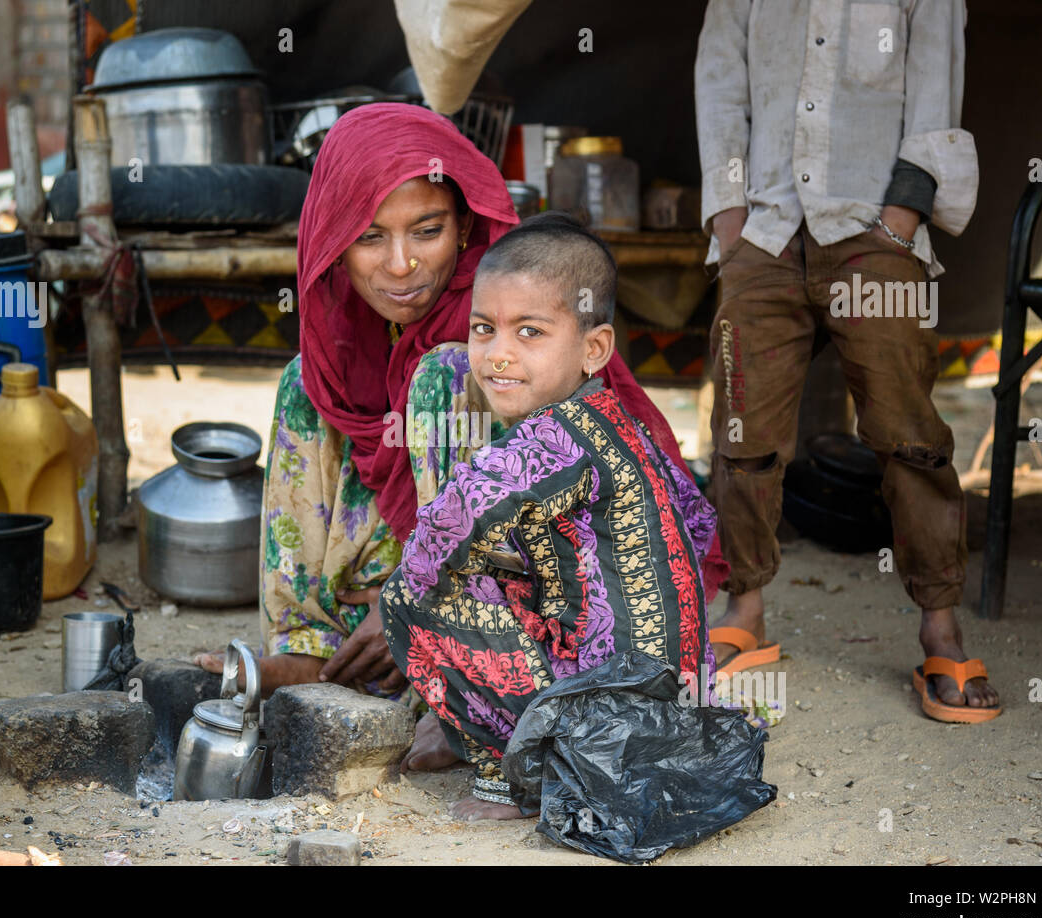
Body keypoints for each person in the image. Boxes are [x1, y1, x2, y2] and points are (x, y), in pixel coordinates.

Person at [193, 104, 728, 708]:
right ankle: (308, 647)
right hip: (409, 561)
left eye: (427, 231)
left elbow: (544, 497)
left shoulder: (509, 305)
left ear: (465, 226)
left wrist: (413, 597)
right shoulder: (344, 328)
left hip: (535, 593)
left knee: (444, 371)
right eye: (370, 236)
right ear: (333, 240)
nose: (401, 265)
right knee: (305, 380)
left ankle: (461, 674)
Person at [695, 0, 998, 721]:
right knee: (744, 428)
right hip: (764, 232)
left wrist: (899, 222)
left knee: (909, 433)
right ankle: (746, 607)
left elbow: (934, 94)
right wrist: (730, 219)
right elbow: (720, 87)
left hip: (872, 229)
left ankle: (939, 621)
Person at [379, 213, 719, 819]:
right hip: (675, 718)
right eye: (484, 329)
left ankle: (514, 779)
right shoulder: (620, 425)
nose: (497, 355)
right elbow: (697, 521)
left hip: (607, 734)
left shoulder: (554, 441)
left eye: (529, 332)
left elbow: (447, 526)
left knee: (411, 592)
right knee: (499, 575)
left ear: (594, 349)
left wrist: (434, 591)